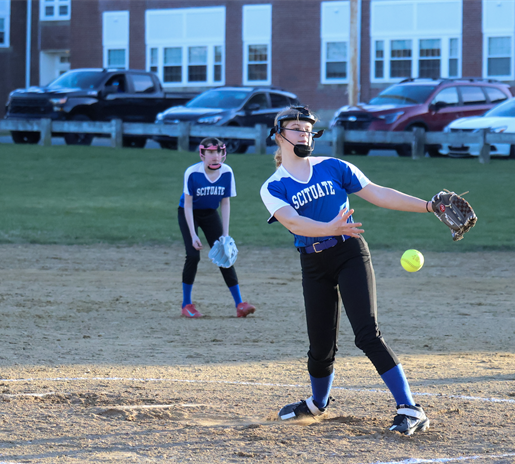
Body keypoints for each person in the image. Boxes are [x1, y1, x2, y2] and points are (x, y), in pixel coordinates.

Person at [259, 106, 434, 435]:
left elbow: (379, 193)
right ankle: (317, 404)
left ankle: (411, 409)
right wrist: (327, 226)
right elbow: (294, 222)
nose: (304, 133)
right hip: (312, 261)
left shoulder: (334, 167)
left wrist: (428, 205)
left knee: (367, 333)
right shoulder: (273, 186)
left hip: (349, 251)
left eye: (308, 129)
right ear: (278, 135)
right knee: (320, 344)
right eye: (296, 128)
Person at [178, 137, 256, 318]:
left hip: (210, 213)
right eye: (210, 152)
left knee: (224, 254)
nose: (215, 156)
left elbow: (225, 203)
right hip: (189, 213)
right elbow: (187, 205)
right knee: (193, 255)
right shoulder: (192, 173)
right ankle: (186, 305)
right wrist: (193, 234)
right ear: (202, 154)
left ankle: (240, 304)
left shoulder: (227, 172)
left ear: (223, 154)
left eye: (218, 152)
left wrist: (225, 236)